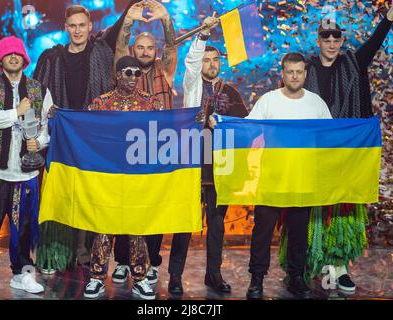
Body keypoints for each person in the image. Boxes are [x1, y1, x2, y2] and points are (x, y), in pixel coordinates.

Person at [301, 0, 393, 292]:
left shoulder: (354, 63)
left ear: (342, 40)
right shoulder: (305, 70)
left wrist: (390, 15)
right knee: (318, 209)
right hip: (317, 152)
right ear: (318, 40)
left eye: (336, 37)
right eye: (326, 37)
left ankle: (341, 266)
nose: (331, 42)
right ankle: (319, 263)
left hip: (347, 152)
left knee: (344, 208)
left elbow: (374, 41)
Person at [33, 1, 138, 274]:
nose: (77, 30)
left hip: (94, 136)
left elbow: (119, 26)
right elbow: (35, 96)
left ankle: (87, 255)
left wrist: (132, 5)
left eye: (82, 25)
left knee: (92, 195)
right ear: (65, 28)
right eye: (73, 26)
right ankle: (55, 256)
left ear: (90, 26)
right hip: (63, 136)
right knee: (61, 194)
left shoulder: (102, 50)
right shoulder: (50, 57)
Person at [244, 53, 332, 300]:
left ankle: (296, 277)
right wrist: (220, 124)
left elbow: (330, 137)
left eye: (299, 71)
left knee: (298, 234)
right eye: (290, 71)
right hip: (271, 179)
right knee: (261, 232)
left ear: (305, 73)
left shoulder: (316, 103)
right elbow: (247, 129)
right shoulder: (268, 101)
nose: (294, 76)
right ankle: (257, 279)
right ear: (282, 74)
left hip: (302, 179)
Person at [0, 36, 52, 295]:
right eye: (8, 54)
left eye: (18, 53)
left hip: (25, 174)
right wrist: (16, 112)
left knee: (25, 227)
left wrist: (37, 142)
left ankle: (22, 273)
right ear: (1, 60)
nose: (14, 57)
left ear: (25, 59)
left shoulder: (40, 89)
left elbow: (47, 130)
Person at [111, 0, 179, 289]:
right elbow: (118, 47)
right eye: (140, 47)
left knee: (154, 208)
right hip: (126, 151)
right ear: (133, 51)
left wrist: (165, 19)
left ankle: (151, 261)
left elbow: (173, 46)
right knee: (124, 207)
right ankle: (124, 262)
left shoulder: (165, 72)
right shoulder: (125, 71)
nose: (146, 52)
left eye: (151, 47)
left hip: (158, 150)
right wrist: (128, 20)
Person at [83, 55, 162, 300]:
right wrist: (61, 118)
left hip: (138, 178)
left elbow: (164, 135)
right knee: (104, 228)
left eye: (137, 73)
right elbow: (86, 134)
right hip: (108, 178)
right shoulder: (100, 104)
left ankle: (139, 278)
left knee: (137, 229)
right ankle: (97, 278)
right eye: (128, 72)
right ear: (117, 74)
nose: (132, 77)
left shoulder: (151, 103)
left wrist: (192, 122)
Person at [183, 14, 248, 295]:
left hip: (220, 169)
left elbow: (245, 127)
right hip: (192, 165)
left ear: (220, 63)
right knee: (183, 223)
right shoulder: (191, 87)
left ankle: (214, 274)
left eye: (215, 60)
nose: (211, 64)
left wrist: (221, 124)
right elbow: (191, 64)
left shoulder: (231, 92)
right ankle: (175, 276)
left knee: (218, 227)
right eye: (206, 60)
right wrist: (204, 36)